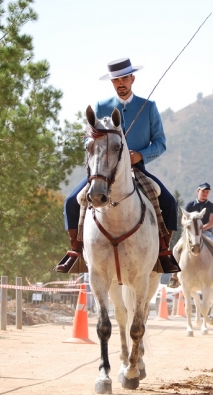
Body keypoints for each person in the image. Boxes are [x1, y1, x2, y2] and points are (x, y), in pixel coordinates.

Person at [56, 57, 180, 275]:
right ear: (112, 83)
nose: (121, 83)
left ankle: (162, 251)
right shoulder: (101, 106)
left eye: (124, 78)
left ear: (132, 79)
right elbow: (88, 139)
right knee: (71, 202)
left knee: (169, 203)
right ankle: (76, 251)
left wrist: (140, 155)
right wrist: (97, 145)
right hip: (103, 170)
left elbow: (160, 143)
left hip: (136, 169)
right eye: (116, 80)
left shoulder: (148, 107)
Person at [169, 182, 213, 287]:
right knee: (176, 249)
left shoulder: (211, 206)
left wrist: (200, 229)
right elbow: (183, 220)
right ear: (198, 191)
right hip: (191, 233)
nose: (205, 193)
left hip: (206, 232)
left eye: (207, 192)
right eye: (203, 191)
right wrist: (190, 227)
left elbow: (212, 222)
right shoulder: (190, 204)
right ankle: (174, 275)